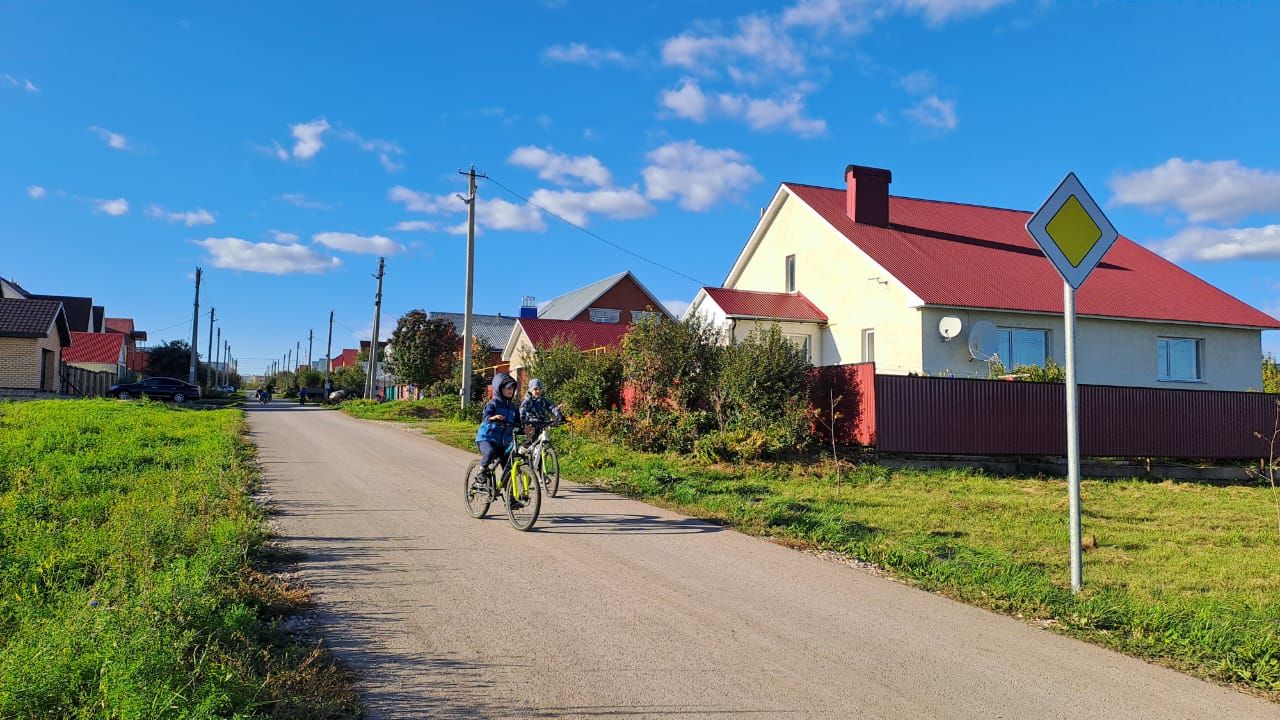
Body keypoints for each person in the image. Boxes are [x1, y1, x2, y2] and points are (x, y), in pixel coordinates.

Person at [474, 372, 520, 485]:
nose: (510, 390)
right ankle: (482, 472)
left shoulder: (513, 408)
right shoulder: (493, 404)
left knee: (509, 469)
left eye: (512, 387)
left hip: (504, 443)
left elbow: (518, 424)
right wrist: (493, 417)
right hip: (487, 438)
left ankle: (512, 500)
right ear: (499, 389)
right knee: (489, 452)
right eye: (507, 387)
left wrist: (525, 429)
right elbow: (486, 417)